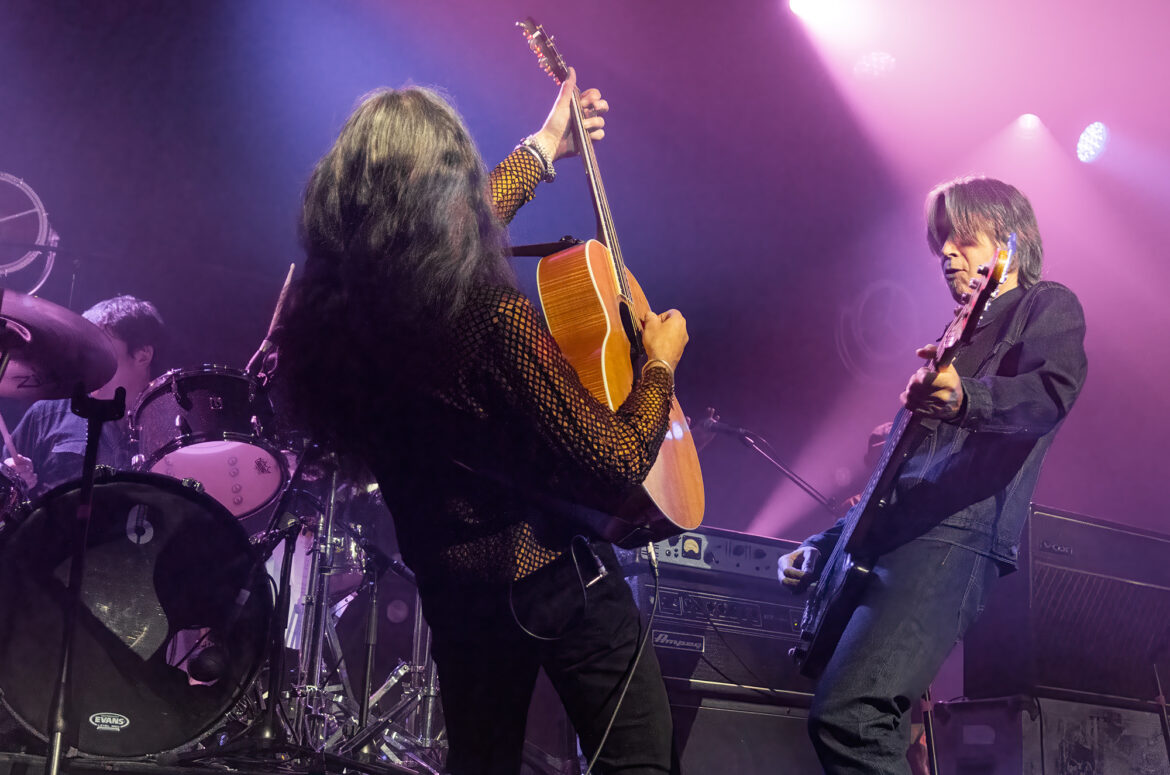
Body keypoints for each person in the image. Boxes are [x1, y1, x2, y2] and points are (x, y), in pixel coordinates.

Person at [277, 70, 687, 775]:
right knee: (639, 758)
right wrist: (659, 364)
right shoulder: (490, 317)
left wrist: (544, 144)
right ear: (448, 192)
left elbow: (452, 231)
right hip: (552, 574)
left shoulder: (340, 315)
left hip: (452, 584)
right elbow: (619, 460)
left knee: (480, 761)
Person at [778, 176, 1088, 774]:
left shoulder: (1045, 305)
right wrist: (824, 546)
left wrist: (968, 398)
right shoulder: (955, 337)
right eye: (941, 241)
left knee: (853, 716)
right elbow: (898, 478)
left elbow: (1050, 395)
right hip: (903, 538)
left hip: (956, 535)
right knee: (854, 717)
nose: (946, 252)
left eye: (962, 238)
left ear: (1008, 243)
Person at [3, 294, 165, 498]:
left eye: (100, 347)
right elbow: (5, 492)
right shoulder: (49, 412)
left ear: (143, 355)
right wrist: (12, 475)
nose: (87, 359)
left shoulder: (167, 430)